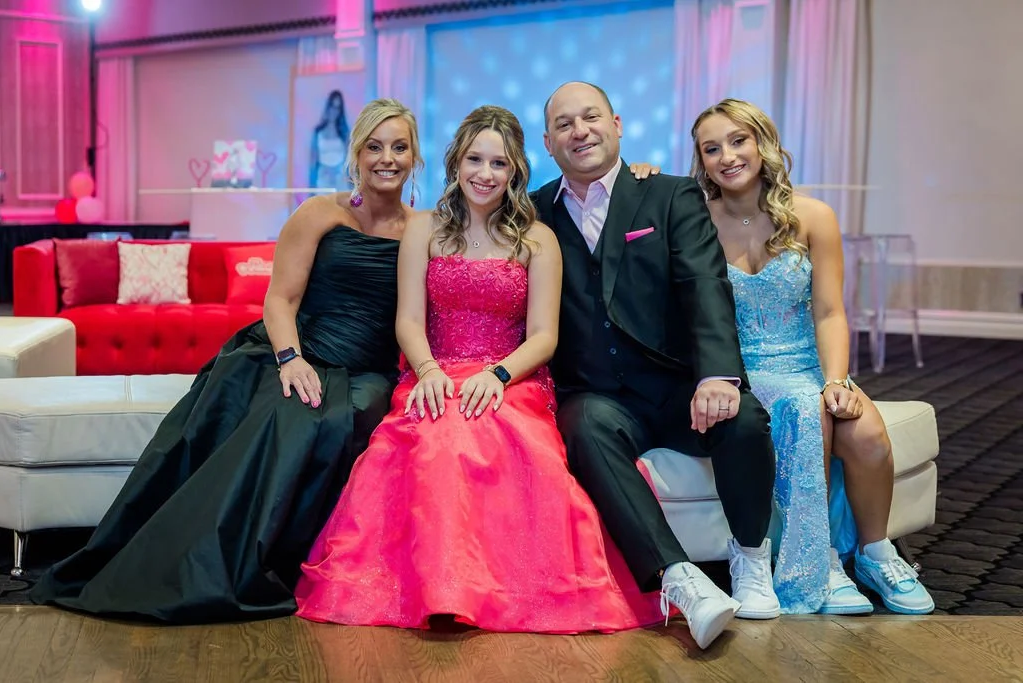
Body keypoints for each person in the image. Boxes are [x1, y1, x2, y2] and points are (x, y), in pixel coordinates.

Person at [30, 98, 423, 623]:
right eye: (375, 147)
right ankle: (206, 566)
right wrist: (290, 360)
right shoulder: (320, 213)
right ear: (357, 153)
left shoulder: (423, 228)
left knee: (351, 415)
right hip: (293, 351)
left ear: (414, 156)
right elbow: (279, 300)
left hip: (367, 368)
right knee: (290, 417)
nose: (386, 159)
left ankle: (298, 562)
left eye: (398, 147)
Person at [295, 105, 664, 634]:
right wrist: (426, 370)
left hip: (510, 380)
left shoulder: (538, 239)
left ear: (515, 170)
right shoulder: (423, 230)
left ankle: (489, 589)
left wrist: (496, 377)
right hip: (434, 373)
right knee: (436, 435)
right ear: (455, 162)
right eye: (474, 159)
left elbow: (544, 336)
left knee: (488, 433)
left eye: (499, 163)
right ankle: (435, 589)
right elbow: (408, 319)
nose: (485, 174)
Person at [530, 81, 781, 649]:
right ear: (548, 143)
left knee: (743, 420)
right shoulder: (534, 211)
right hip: (597, 392)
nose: (580, 131)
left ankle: (750, 556)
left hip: (675, 385)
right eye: (565, 124)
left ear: (616, 124)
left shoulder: (669, 195)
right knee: (584, 427)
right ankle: (680, 578)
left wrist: (717, 375)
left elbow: (704, 287)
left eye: (591, 117)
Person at [690, 98, 934, 615]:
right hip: (744, 369)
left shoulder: (813, 216)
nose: (727, 156)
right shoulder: (696, 221)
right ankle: (816, 563)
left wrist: (837, 380)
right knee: (807, 411)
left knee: (866, 434)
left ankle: (874, 553)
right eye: (712, 149)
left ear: (763, 143)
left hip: (806, 361)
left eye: (738, 141)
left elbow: (828, 311)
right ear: (701, 160)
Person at [310, 90, 350, 189]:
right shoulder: (318, 133)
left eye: (337, 108)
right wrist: (311, 187)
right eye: (332, 106)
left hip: (340, 180)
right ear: (328, 107)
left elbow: (349, 162)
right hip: (323, 180)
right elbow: (313, 163)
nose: (334, 111)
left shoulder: (344, 133)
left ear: (340, 111)